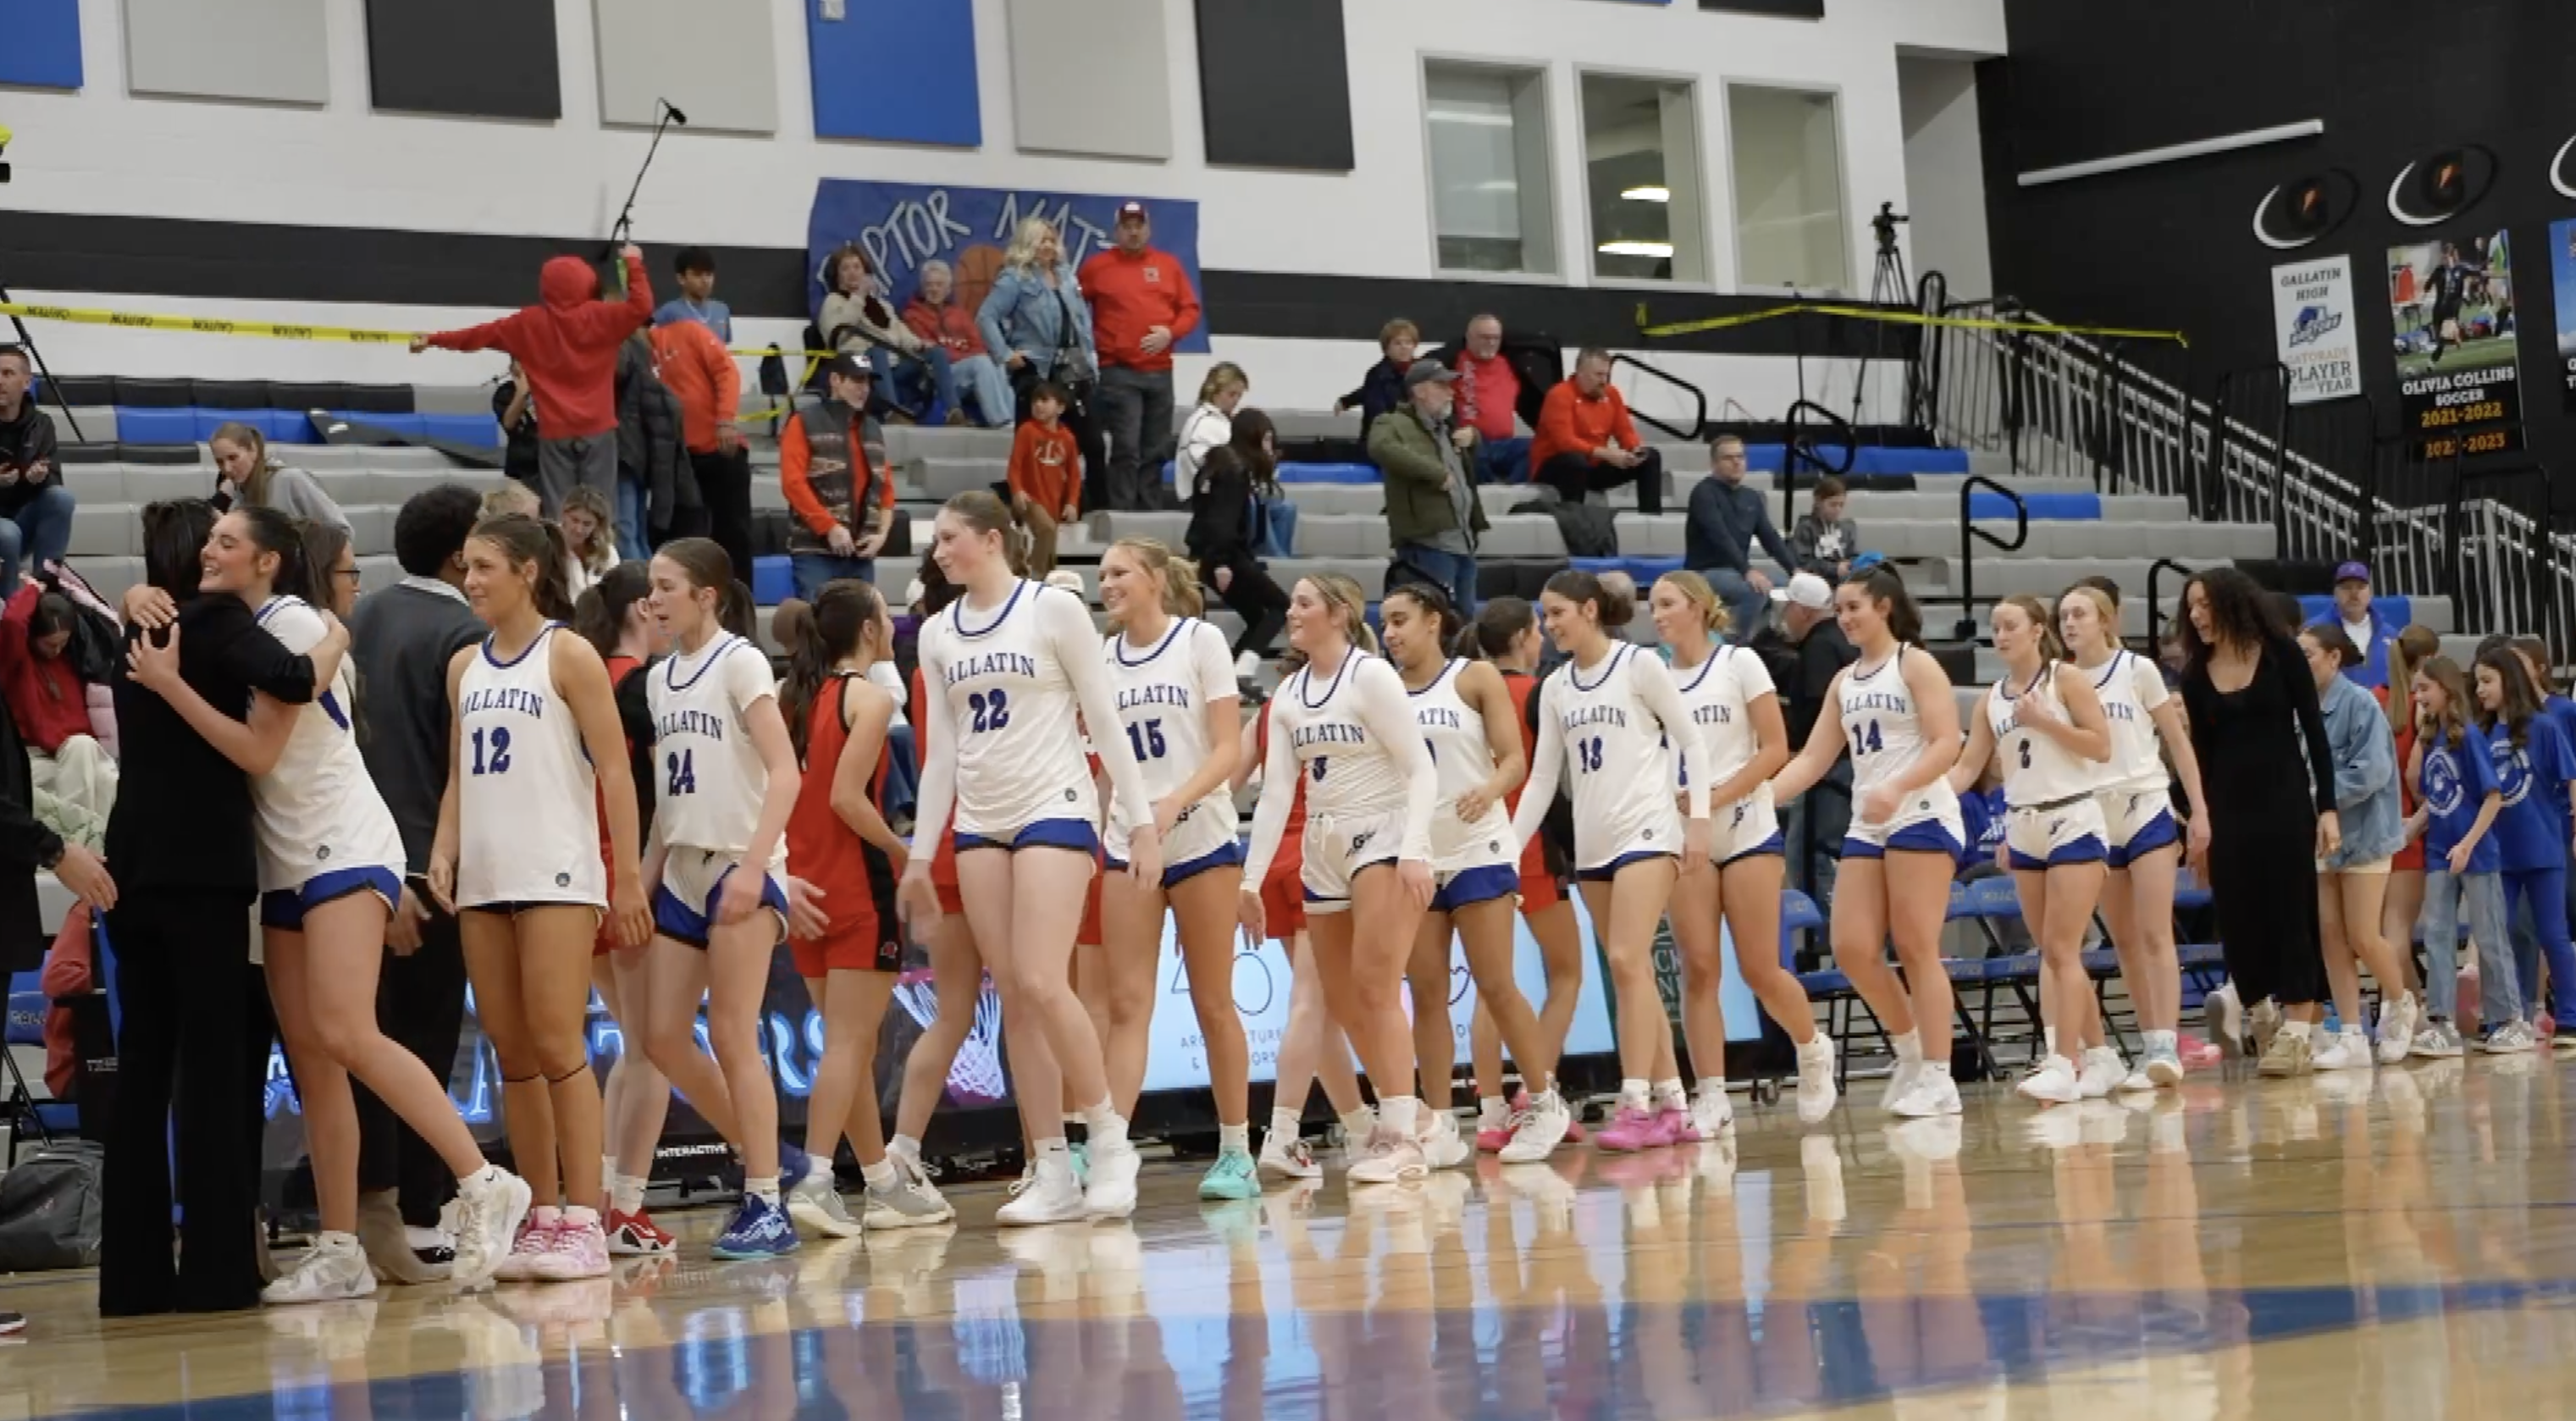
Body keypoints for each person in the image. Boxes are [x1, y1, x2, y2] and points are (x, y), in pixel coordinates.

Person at [126, 506, 531, 1300]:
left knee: (348, 1031)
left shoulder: (288, 623)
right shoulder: (250, 618)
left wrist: (170, 685)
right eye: (207, 542)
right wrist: (135, 595)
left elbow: (258, 749)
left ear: (270, 560)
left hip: (341, 842)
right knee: (312, 1057)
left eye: (227, 542)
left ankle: (483, 1180)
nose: (209, 551)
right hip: (286, 854)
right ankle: (342, 1246)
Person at [900, 491, 1163, 1223]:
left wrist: (1139, 823)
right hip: (981, 820)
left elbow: (1104, 718)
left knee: (1047, 979)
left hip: (1057, 805)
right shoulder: (937, 633)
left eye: (950, 537)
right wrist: (923, 856)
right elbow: (943, 755)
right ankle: (1050, 1165)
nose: (940, 550)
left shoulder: (1052, 609)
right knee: (1012, 988)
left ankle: (1109, 1139)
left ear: (990, 540)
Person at [427, 513, 647, 1282]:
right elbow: (460, 773)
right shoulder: (464, 667)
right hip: (486, 877)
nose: (472, 580)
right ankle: (541, 1214)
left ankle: (586, 1219)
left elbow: (616, 772)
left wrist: (626, 879)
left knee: (559, 1046)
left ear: (527, 570)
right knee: (512, 1054)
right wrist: (444, 848)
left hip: (556, 871)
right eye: (466, 565)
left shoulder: (571, 653)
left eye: (485, 565)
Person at [97, 500, 295, 1317]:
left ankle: (132, 1281)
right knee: (213, 1075)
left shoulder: (136, 629)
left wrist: (130, 595)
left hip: (132, 864)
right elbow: (292, 677)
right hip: (201, 872)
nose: (218, 550)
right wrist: (336, 636)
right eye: (211, 539)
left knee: (142, 1075)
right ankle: (216, 1273)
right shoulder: (213, 621)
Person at [1238, 572, 1443, 1182]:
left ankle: (1403, 1136)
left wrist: (1415, 848)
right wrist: (1249, 879)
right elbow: (1275, 794)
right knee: (1346, 997)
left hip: (1381, 836)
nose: (1291, 613)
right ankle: (1407, 1120)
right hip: (1321, 849)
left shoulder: (1370, 676)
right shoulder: (1291, 694)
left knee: (1376, 984)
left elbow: (1421, 768)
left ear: (1338, 613)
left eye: (1302, 604)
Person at [637, 539, 807, 1258]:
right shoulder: (657, 677)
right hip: (681, 866)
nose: (653, 599)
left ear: (707, 595)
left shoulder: (739, 661)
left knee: (736, 1033)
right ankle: (767, 1153)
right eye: (650, 586)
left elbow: (786, 773)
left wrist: (756, 865)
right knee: (662, 1036)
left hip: (741, 860)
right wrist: (636, 885)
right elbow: (667, 800)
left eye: (667, 586)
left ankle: (767, 1202)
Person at [1510, 568, 1711, 1149]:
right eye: (1544, 617)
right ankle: (1675, 1103)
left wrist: (1697, 821)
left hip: (1648, 830)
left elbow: (1691, 742)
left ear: (1590, 610)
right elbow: (1545, 776)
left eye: (1558, 614)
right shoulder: (1555, 688)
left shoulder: (1639, 665)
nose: (1549, 627)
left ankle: (1635, 1103)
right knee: (1632, 970)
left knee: (1625, 959)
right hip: (1593, 842)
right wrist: (1507, 848)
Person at [779, 579, 954, 1234]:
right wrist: (905, 850)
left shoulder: (791, 698)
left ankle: (880, 1181)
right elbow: (849, 800)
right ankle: (819, 1179)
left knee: (846, 1047)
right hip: (856, 888)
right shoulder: (872, 698)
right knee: (852, 1043)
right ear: (872, 631)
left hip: (805, 888)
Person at [342, 484, 486, 1280]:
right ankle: (423, 1211)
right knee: (425, 1045)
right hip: (427, 868)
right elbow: (460, 767)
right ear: (462, 552)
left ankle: (371, 1206)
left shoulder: (355, 618)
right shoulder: (462, 634)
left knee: (370, 1044)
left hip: (351, 864)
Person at [1091, 539, 1263, 1197]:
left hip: (1200, 841)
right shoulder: (1102, 658)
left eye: (1118, 572)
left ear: (1156, 580)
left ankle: (1235, 1151)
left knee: (1214, 1003)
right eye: (1102, 574)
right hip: (1128, 845)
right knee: (1127, 1004)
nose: (1106, 583)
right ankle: (1110, 1150)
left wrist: (1171, 805)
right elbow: (1105, 765)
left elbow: (1228, 750)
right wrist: (1105, 830)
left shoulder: (1199, 642)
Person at [1768, 566, 1967, 1118]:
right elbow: (1812, 758)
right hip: (1870, 821)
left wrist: (1899, 785)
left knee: (1915, 945)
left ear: (1884, 606)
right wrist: (1759, 799)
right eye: (1840, 609)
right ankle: (1909, 1050)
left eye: (1854, 606)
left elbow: (1948, 741)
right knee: (1852, 946)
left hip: (1921, 812)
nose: (1846, 617)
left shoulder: (1916, 663)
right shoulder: (1844, 680)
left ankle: (1939, 1076)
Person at [1381, 582, 1570, 1161]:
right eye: (1384, 623)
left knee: (1495, 983)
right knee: (1428, 993)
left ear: (1433, 621)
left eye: (1400, 620)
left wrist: (1488, 789)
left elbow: (1516, 760)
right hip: (1415, 855)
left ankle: (1542, 1100)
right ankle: (1439, 1125)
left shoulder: (1473, 678)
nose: (1389, 633)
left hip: (1477, 849)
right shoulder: (1379, 690)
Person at [1652, 572, 1838, 1125]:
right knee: (1699, 969)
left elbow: (1776, 748)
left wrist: (1716, 797)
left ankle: (1811, 1048)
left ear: (1697, 607)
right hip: (1685, 835)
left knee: (1760, 969)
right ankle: (1711, 1093)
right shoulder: (1654, 678)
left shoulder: (1739, 664)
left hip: (1745, 824)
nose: (1655, 614)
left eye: (1665, 604)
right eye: (1651, 605)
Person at [1949, 595, 2114, 1105]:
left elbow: (2101, 746)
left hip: (2073, 815)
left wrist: (2046, 722)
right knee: (2052, 951)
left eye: (2010, 626)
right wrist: (1921, 798)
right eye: (1994, 628)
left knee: (2063, 950)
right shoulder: (1988, 700)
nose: (2000, 636)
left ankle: (2063, 1061)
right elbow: (1968, 767)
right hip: (2022, 825)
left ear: (2038, 630)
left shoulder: (2067, 680)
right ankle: (2102, 1057)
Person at [2175, 567, 2339, 1076]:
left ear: (2231, 604)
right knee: (2241, 919)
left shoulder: (2281, 653)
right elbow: (2198, 756)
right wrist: (2197, 823)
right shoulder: (2195, 675)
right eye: (2191, 607)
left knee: (2292, 913)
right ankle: (2260, 1011)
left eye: (2205, 604)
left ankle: (2297, 1032)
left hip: (2285, 804)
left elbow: (2314, 731)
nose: (2197, 615)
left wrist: (2327, 807)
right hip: (2226, 813)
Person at [573, 563, 688, 1254]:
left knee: (632, 1045)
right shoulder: (643, 686)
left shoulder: (585, 677)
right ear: (645, 610)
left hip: (583, 878)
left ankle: (604, 1202)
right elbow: (664, 800)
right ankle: (623, 1210)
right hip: (628, 880)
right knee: (650, 1050)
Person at [2057, 583, 2205, 1089]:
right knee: (2122, 940)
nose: (2070, 623)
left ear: (2105, 619)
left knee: (2153, 930)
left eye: (2079, 614)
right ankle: (2147, 1044)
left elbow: (2180, 746)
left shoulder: (2137, 670)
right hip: (2094, 814)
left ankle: (2167, 1042)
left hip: (2144, 804)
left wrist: (2201, 811)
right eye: (2063, 617)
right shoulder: (2060, 681)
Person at [1467, 598, 1589, 1151]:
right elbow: (1557, 786)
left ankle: (1491, 1114)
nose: (1542, 638)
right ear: (1520, 637)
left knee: (1492, 987)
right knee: (1567, 973)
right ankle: (1537, 1092)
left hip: (1477, 846)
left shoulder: (1464, 692)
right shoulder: (1541, 695)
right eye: (1537, 630)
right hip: (1533, 848)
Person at [413, 246, 654, 517]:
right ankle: (601, 556)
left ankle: (558, 556)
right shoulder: (603, 316)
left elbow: (478, 335)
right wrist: (633, 262)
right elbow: (642, 306)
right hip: (598, 428)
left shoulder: (528, 322)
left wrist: (434, 339)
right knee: (600, 510)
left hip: (554, 430)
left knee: (557, 509)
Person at [2299, 623, 2414, 1070]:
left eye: (2308, 654)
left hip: (2365, 835)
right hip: (2322, 837)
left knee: (2363, 934)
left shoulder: (2361, 704)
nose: (2301, 661)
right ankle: (2350, 1032)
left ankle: (2402, 1004)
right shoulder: (2301, 708)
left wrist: (2311, 796)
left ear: (2333, 658)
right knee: (2330, 936)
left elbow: (2372, 774)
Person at [2406, 655, 2522, 1053]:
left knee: (2489, 936)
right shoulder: (2432, 738)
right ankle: (2442, 1022)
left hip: (2476, 853)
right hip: (2439, 852)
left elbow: (2493, 797)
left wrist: (2468, 843)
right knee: (2436, 935)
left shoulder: (2469, 736)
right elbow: (2436, 798)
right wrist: (2410, 827)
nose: (2417, 695)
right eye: (2416, 688)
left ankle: (2509, 1019)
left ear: (2446, 689)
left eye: (2425, 688)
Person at [2472, 644, 2576, 1045]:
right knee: (2501, 933)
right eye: (2477, 681)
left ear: (2508, 681)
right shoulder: (2480, 733)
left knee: (2553, 933)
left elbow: (2570, 777)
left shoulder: (2544, 726)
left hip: (2543, 846)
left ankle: (2568, 1014)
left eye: (2487, 681)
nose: (2479, 689)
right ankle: (2504, 1017)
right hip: (2498, 852)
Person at [1081, 201, 1202, 512]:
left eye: (1139, 226)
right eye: (1127, 227)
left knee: (1156, 447)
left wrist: (1170, 333)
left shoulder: (1169, 265)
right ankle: (1120, 512)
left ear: (1148, 229)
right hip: (1118, 371)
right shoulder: (1097, 267)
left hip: (1161, 371)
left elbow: (1190, 309)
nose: (1134, 233)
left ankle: (1149, 512)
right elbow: (1074, 306)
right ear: (1117, 231)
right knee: (1126, 446)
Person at [978, 218, 1108, 506]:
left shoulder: (1067, 277)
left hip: (1075, 368)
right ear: (1028, 243)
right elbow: (986, 316)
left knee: (1093, 443)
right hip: (1038, 370)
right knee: (1033, 447)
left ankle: (1095, 507)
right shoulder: (1015, 279)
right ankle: (1027, 505)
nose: (1048, 246)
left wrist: (1092, 359)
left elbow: (1082, 323)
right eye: (1042, 240)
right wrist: (1005, 354)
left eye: (1052, 240)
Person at [1756, 572, 1857, 913]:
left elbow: (1819, 710)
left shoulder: (1819, 648)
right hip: (1846, 766)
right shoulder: (1843, 643)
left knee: (1811, 853)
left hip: (1828, 770)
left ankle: (1829, 934)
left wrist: (1804, 756)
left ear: (1802, 611)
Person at [1370, 359, 1488, 617]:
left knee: (1464, 619)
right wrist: (1434, 474)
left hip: (1462, 539)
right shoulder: (1392, 422)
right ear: (1420, 390)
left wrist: (1474, 439)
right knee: (1432, 617)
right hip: (1427, 541)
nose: (1451, 391)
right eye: (1442, 385)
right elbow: (1380, 447)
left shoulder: (1446, 427)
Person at [0, 581, 113, 843]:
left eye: (63, 643)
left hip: (76, 756)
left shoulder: (72, 660)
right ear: (34, 636)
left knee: (107, 777)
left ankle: (91, 847)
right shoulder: (15, 664)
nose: (57, 650)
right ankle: (76, 842)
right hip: (34, 759)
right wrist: (33, 589)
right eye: (50, 644)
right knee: (86, 759)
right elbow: (13, 624)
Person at [780, 356, 895, 598]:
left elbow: (885, 491)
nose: (864, 389)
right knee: (818, 623)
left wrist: (881, 536)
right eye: (856, 380)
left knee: (860, 628)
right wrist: (829, 527)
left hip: (861, 552)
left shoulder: (872, 428)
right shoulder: (804, 421)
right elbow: (793, 483)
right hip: (815, 551)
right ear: (835, 380)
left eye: (867, 382)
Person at [818, 244, 965, 425]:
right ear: (837, 274)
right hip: (856, 361)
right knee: (877, 351)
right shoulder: (833, 301)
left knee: (937, 353)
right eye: (846, 268)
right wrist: (858, 298)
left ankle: (954, 412)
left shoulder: (881, 305)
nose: (852, 273)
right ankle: (892, 414)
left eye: (857, 267)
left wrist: (918, 344)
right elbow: (836, 332)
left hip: (892, 364)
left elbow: (900, 332)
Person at [1184, 443, 1290, 676]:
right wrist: (1222, 562)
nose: (1270, 447)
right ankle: (1243, 669)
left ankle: (1228, 673)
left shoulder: (1215, 466)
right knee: (1280, 605)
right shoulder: (1234, 470)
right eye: (1267, 438)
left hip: (1204, 554)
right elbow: (1223, 520)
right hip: (1225, 555)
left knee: (1256, 616)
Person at [645, 310, 736, 560]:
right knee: (682, 539)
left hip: (718, 449)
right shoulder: (634, 358)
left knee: (731, 536)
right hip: (678, 461)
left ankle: (739, 595)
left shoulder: (687, 332)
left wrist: (725, 420)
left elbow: (727, 371)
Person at [1685, 435, 1798, 633]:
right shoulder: (1703, 493)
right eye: (1728, 458)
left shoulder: (1751, 497)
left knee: (1791, 585)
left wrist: (1795, 570)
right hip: (1705, 572)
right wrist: (1747, 570)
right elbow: (1720, 536)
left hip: (1736, 571)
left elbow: (1770, 537)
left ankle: (1762, 642)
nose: (1736, 462)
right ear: (1714, 463)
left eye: (1740, 456)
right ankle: (1735, 646)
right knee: (1754, 590)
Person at [1530, 349, 1664, 515]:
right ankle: (1574, 520)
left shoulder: (1611, 393)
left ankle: (1650, 518)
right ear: (1580, 373)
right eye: (1598, 375)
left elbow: (1625, 431)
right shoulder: (1559, 395)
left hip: (1593, 464)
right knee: (1575, 461)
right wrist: (1607, 454)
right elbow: (1565, 442)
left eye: (1606, 375)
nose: (1604, 381)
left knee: (1650, 457)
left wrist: (1634, 449)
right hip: (1555, 465)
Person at [903, 258, 1014, 428]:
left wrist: (965, 354)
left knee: (997, 365)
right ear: (922, 288)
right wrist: (964, 353)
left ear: (948, 289)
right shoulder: (913, 315)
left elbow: (979, 346)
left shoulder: (959, 314)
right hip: (937, 379)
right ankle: (1000, 422)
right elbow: (932, 353)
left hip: (965, 372)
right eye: (929, 285)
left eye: (939, 285)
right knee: (980, 363)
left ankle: (1012, 422)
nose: (934, 289)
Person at [0, 347, 75, 595]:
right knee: (7, 533)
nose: (0, 381)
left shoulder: (41, 424)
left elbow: (54, 480)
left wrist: (39, 479)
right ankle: (10, 615)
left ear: (26, 381)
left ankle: (47, 590)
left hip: (22, 521)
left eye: (7, 373)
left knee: (61, 499)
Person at [210, 423, 347, 535]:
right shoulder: (236, 502)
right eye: (220, 462)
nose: (227, 468)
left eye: (233, 458)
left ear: (253, 449)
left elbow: (341, 531)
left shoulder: (291, 480)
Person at [1006, 381, 1082, 579]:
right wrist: (1017, 490)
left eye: (1044, 400)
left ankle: (1039, 578)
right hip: (1029, 498)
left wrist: (1072, 502)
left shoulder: (1068, 439)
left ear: (1061, 407)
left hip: (1053, 501)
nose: (1038, 405)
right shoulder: (1027, 430)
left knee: (1049, 546)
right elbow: (1015, 465)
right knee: (1047, 530)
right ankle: (1034, 577)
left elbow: (1074, 474)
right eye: (1035, 401)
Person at [1448, 315, 1529, 485]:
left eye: (1495, 338)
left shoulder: (1510, 365)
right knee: (1471, 451)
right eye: (1485, 337)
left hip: (1505, 443)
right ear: (1469, 337)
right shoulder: (1453, 362)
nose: (1491, 343)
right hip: (1472, 441)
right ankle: (1488, 491)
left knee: (1535, 448)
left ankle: (1511, 492)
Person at [2315, 561, 2402, 689]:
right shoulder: (2315, 632)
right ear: (2335, 593)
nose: (2354, 594)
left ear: (2370, 593)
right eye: (2347, 587)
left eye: (2360, 587)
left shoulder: (2390, 634)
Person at [1338, 318, 1418, 440]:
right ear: (1386, 348)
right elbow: (1377, 409)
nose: (1404, 347)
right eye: (1398, 343)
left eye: (1408, 342)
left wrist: (1347, 401)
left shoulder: (1422, 371)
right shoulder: (1377, 375)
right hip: (1384, 440)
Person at [1175, 362, 1248, 494]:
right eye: (1232, 394)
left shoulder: (1221, 421)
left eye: (1239, 396)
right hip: (1204, 499)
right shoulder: (1205, 424)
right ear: (1213, 392)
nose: (1236, 400)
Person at [655, 246, 733, 343]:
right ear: (681, 279)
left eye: (709, 274)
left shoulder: (722, 310)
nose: (705, 281)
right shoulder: (668, 313)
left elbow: (724, 347)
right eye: (697, 275)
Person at [1788, 476, 1860, 582]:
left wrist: (1855, 563)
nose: (1837, 510)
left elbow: (1851, 555)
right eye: (1833, 505)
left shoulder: (1846, 528)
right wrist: (1834, 569)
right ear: (1818, 501)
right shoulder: (1806, 528)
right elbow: (1803, 564)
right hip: (1813, 583)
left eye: (1841, 505)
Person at [559, 484, 619, 600]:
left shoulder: (608, 552)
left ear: (597, 525)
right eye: (575, 520)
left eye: (587, 524)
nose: (578, 529)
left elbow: (615, 592)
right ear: (564, 515)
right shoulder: (551, 545)